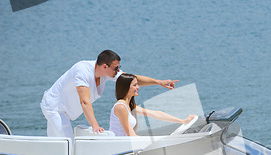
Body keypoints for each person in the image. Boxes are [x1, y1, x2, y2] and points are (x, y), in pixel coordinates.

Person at [40, 49, 178, 139]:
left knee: (63, 142)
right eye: (116, 68)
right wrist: (95, 125)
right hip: (55, 108)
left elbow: (131, 79)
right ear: (104, 66)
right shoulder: (82, 71)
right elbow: (84, 101)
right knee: (66, 143)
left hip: (67, 111)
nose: (118, 70)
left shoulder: (107, 73)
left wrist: (159, 82)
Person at [109, 73, 196, 136]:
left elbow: (155, 114)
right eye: (135, 85)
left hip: (125, 145)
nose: (138, 87)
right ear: (126, 87)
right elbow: (131, 135)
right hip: (118, 148)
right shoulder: (120, 107)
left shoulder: (130, 105)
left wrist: (182, 121)